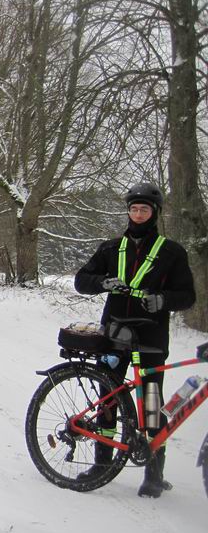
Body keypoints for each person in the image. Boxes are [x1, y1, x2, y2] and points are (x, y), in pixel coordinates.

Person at [74, 182, 195, 498]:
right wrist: (102, 281)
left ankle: (154, 474)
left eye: (144, 209)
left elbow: (187, 296)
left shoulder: (171, 252)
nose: (138, 214)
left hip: (152, 336)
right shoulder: (111, 249)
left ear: (154, 213)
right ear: (128, 211)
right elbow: (81, 281)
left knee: (152, 404)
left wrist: (164, 300)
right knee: (108, 399)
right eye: (134, 209)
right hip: (114, 333)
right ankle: (101, 465)